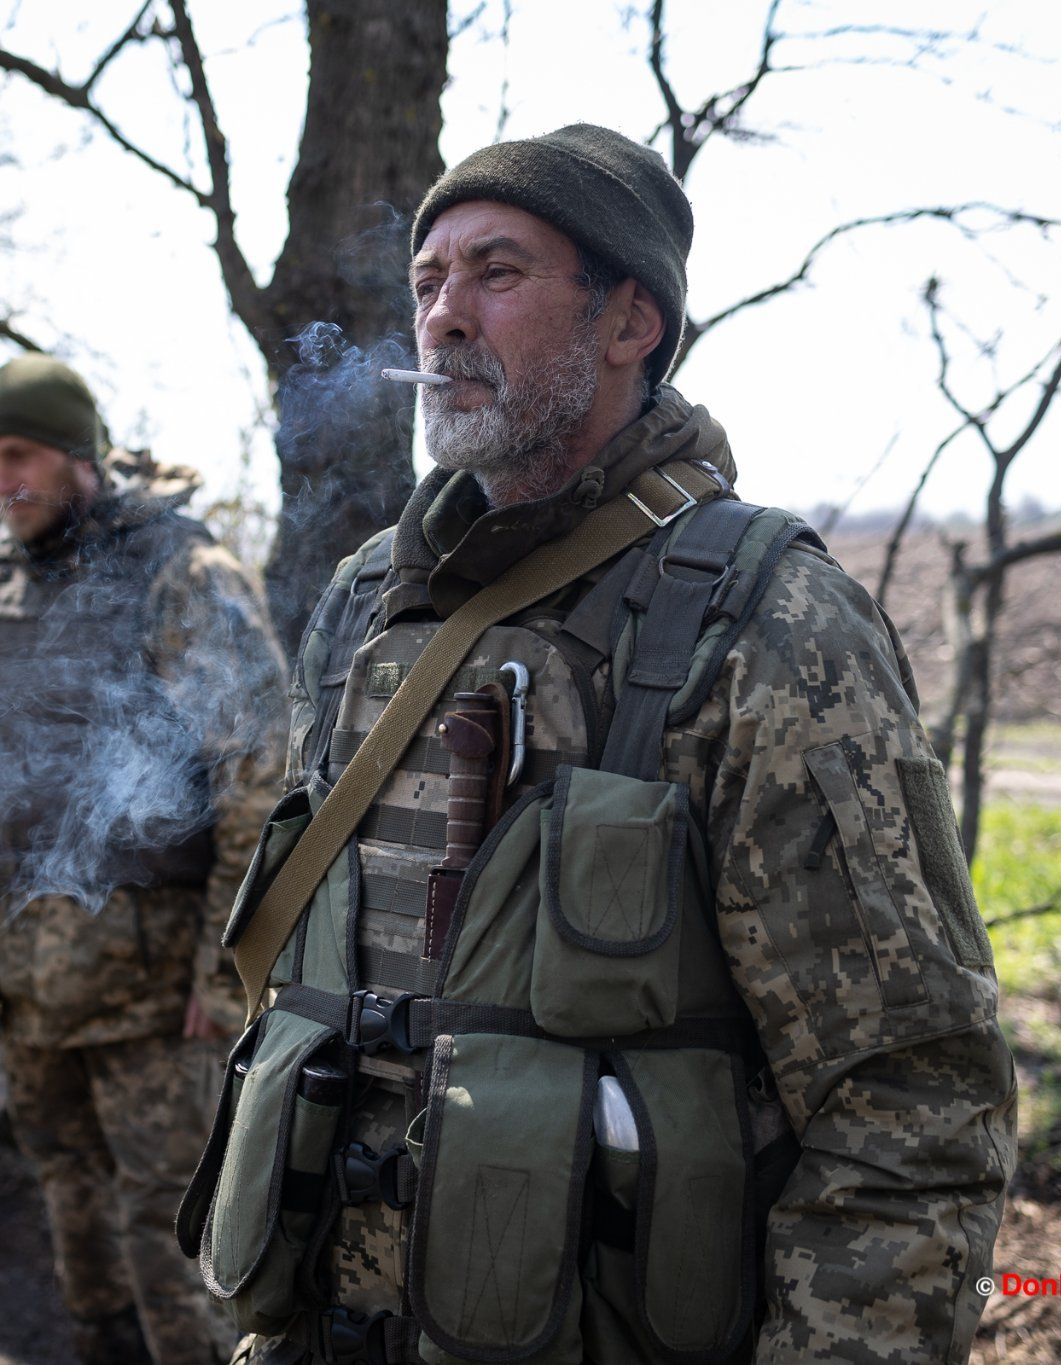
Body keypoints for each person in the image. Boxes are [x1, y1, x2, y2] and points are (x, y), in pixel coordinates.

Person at [178, 125, 1017, 1365]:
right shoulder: (366, 603)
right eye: (426, 282)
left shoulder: (768, 619)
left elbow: (909, 1100)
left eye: (497, 273)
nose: (443, 317)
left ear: (630, 322)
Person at [0, 354, 286, 1365]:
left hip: (151, 994)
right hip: (19, 983)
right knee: (69, 1206)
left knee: (175, 1231)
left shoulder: (180, 571)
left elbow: (257, 778)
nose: (2, 480)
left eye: (19, 454)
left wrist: (227, 969)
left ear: (76, 452)